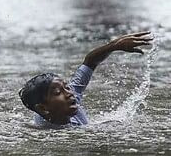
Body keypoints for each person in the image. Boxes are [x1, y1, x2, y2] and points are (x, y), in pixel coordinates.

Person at [19, 31, 153, 128]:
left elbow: (90, 61)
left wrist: (114, 45)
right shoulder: (44, 132)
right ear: (43, 108)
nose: (69, 93)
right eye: (58, 92)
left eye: (66, 87)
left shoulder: (72, 97)